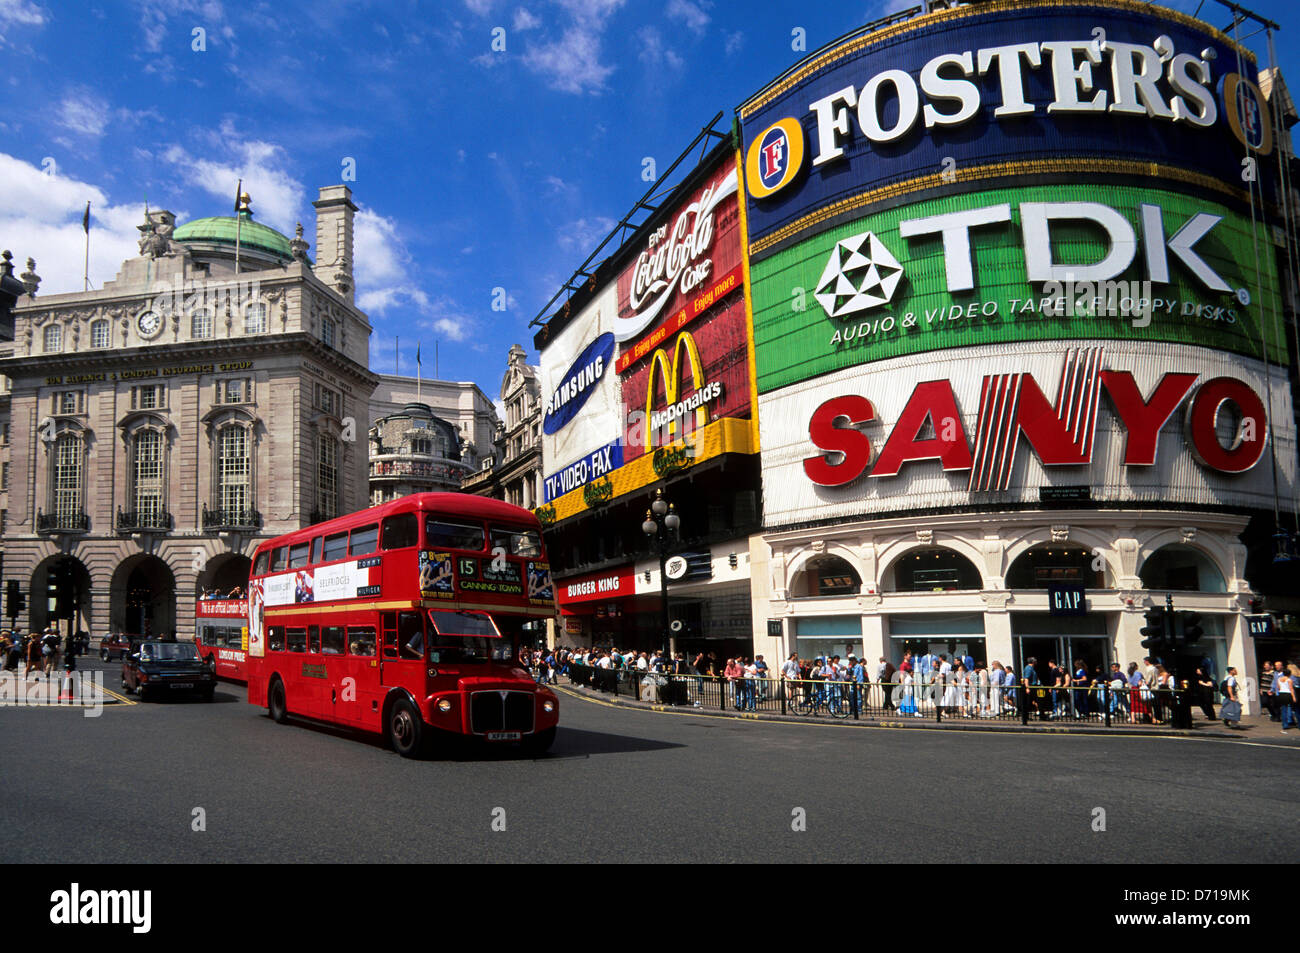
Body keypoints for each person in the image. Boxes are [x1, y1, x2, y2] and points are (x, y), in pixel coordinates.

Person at [1277, 668, 1298, 733]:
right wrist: (1294, 697)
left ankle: (1284, 724)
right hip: (1288, 694)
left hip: (1281, 694)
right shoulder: (1289, 680)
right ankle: (1291, 721)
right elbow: (1291, 689)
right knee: (1292, 708)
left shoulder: (1279, 679)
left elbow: (1279, 687)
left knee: (1283, 709)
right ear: (1289, 674)